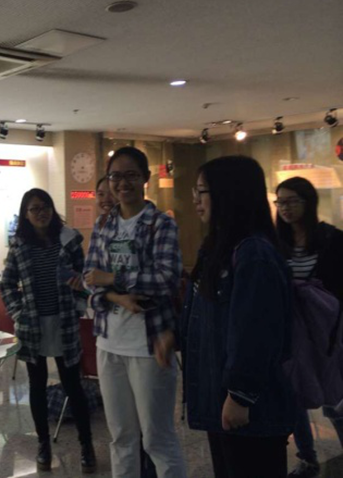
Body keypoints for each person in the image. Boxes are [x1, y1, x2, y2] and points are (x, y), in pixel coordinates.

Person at [184, 155, 295, 478]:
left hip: (249, 407)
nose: (195, 200)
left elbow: (257, 334)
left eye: (202, 191)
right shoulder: (218, 247)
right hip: (220, 398)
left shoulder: (254, 254)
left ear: (228, 194)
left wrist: (240, 396)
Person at [85, 147, 186, 478]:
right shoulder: (104, 224)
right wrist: (119, 297)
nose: (122, 183)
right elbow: (89, 278)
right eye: (115, 176)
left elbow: (166, 279)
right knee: (121, 438)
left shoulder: (160, 224)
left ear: (145, 178)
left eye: (131, 175)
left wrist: (111, 279)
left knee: (157, 440)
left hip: (149, 346)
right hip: (108, 342)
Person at [1, 188, 96, 473]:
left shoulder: (68, 240)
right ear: (25, 214)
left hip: (64, 322)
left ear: (52, 210)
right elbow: (7, 284)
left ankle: (86, 445)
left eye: (45, 207)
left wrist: (79, 304)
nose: (41, 213)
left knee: (73, 386)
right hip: (33, 326)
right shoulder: (19, 246)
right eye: (34, 209)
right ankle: (43, 443)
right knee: (37, 385)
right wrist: (18, 313)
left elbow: (84, 278)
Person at [274, 176, 343, 478]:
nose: (285, 208)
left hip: (327, 329)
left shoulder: (331, 239)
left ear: (308, 202)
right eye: (280, 202)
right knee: (294, 393)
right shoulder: (276, 243)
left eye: (292, 201)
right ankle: (307, 456)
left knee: (335, 397)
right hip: (293, 329)